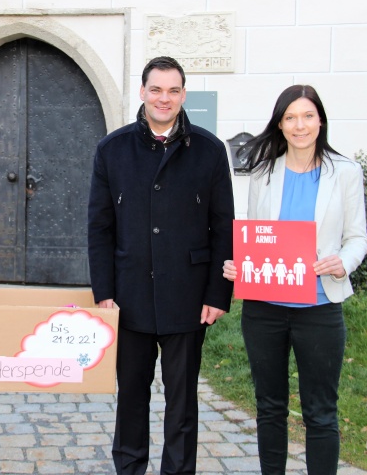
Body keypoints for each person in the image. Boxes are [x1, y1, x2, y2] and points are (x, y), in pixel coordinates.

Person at [88, 56, 235, 475]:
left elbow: (224, 226)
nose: (164, 98)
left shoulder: (209, 150)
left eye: (173, 90)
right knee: (131, 400)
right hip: (129, 300)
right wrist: (104, 293)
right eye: (156, 89)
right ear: (142, 92)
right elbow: (99, 229)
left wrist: (217, 294)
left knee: (182, 404)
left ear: (184, 94)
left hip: (188, 299)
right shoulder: (112, 150)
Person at [223, 85, 367, 474]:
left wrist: (344, 262)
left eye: (307, 116)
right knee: (269, 407)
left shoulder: (346, 173)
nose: (299, 125)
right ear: (280, 124)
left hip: (320, 307)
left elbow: (358, 237)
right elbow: (257, 235)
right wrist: (240, 265)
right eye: (290, 117)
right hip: (264, 310)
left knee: (320, 410)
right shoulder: (265, 171)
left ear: (320, 120)